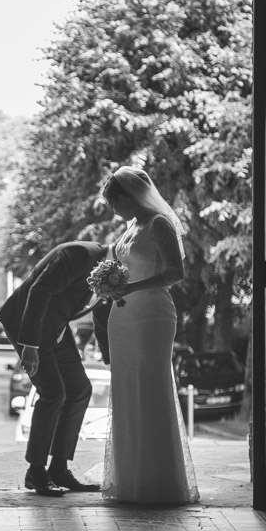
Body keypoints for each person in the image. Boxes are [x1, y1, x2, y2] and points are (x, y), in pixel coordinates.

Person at [99, 166, 199, 504]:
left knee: (151, 387)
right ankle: (131, 476)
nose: (114, 210)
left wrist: (132, 286)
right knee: (127, 388)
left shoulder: (159, 224)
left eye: (115, 203)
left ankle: (159, 479)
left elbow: (174, 272)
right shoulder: (129, 227)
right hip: (122, 315)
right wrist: (109, 282)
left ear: (128, 197)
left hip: (153, 314)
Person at [0, 241, 109, 496]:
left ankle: (59, 468)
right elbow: (39, 291)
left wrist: (110, 359)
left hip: (57, 329)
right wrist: (30, 345)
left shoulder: (115, 275)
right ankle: (36, 471)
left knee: (80, 389)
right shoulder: (79, 254)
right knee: (53, 392)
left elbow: (102, 313)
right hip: (27, 326)